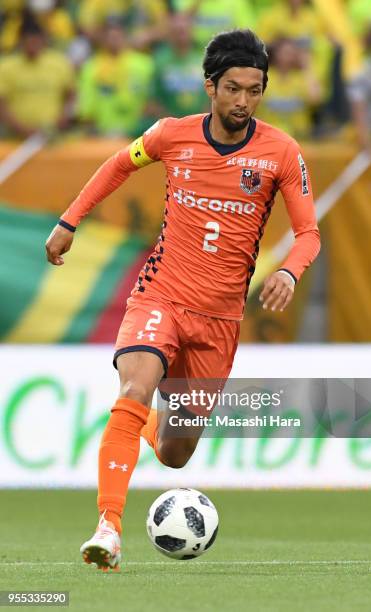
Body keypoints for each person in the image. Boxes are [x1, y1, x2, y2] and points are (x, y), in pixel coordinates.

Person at [45, 29, 320, 570]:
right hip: (161, 295)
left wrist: (290, 268)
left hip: (219, 320)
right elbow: (119, 164)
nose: (244, 101)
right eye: (234, 89)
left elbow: (308, 232)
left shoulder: (282, 152)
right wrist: (69, 220)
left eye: (255, 90)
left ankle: (142, 422)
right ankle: (108, 527)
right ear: (210, 87)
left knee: (175, 453)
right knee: (135, 384)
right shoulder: (171, 135)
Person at [0, 17, 75, 138]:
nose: (33, 46)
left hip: (51, 137)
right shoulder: (6, 67)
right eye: (28, 42)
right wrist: (21, 128)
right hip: (15, 139)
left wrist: (63, 118)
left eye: (36, 42)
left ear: (43, 40)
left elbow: (71, 95)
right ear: (20, 42)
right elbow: (1, 103)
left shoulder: (58, 63)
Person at [78, 18, 154, 137]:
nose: (114, 40)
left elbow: (152, 99)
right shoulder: (92, 68)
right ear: (103, 39)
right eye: (110, 37)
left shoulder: (144, 64)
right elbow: (87, 103)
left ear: (125, 36)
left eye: (118, 36)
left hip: (138, 133)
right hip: (104, 133)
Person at [257, 37, 322, 138]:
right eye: (286, 52)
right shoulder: (264, 77)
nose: (290, 56)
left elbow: (315, 99)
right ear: (276, 54)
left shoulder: (301, 78)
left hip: (299, 137)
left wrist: (307, 66)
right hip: (268, 136)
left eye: (293, 53)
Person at [149, 12, 209, 118]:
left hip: (202, 122)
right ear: (170, 34)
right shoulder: (160, 60)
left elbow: (213, 96)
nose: (181, 35)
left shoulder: (204, 58)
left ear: (191, 31)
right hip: (171, 123)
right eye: (177, 31)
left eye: (184, 31)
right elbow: (154, 99)